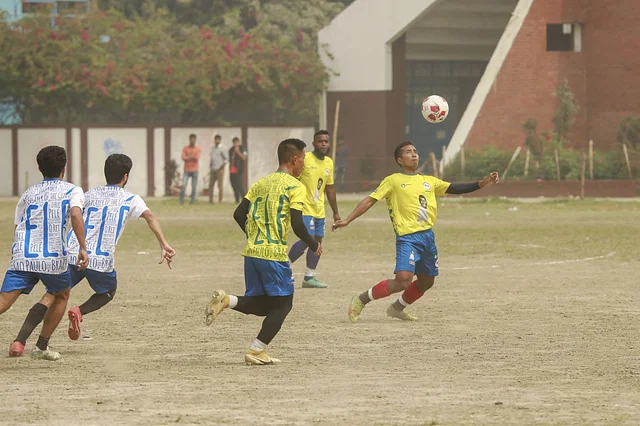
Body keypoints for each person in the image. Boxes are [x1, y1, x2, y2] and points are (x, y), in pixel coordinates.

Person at [9, 154, 176, 352]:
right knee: (107, 292)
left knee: (51, 295)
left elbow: (74, 213)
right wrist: (164, 244)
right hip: (100, 260)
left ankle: (20, 342)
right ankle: (79, 311)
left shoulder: (87, 194)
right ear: (125, 177)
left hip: (74, 253)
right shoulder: (131, 199)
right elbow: (150, 217)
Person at [333, 141, 499, 323]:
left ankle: (397, 308)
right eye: (408, 152)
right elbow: (370, 200)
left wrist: (481, 184)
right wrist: (347, 220)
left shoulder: (429, 181)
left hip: (427, 236)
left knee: (427, 281)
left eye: (415, 151)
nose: (413, 155)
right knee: (403, 280)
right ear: (399, 159)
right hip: (407, 238)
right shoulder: (393, 180)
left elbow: (455, 188)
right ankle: (361, 299)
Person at [204, 138, 321, 365]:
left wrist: (254, 236)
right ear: (295, 159)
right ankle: (256, 350)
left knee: (265, 304)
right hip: (274, 254)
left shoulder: (261, 183)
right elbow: (297, 224)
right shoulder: (296, 187)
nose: (305, 165)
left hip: (252, 252)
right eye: (304, 159)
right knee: (285, 304)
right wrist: (314, 243)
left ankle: (227, 300)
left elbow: (239, 214)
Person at [1, 146, 89, 361]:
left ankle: (30, 343)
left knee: (3, 301)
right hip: (52, 258)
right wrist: (83, 247)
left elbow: (17, 226)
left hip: (24, 253)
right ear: (64, 168)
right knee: (61, 294)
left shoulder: (28, 193)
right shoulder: (73, 190)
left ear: (39, 168)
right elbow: (76, 214)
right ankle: (41, 346)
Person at [287, 130, 339, 289]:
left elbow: (329, 188)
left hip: (319, 210)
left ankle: (309, 277)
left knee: (317, 242)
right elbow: (291, 177)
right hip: (303, 207)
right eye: (320, 141)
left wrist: (335, 212)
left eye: (326, 141)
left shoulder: (329, 162)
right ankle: (283, 268)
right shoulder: (305, 158)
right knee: (306, 239)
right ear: (314, 143)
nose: (323, 144)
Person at [180, 134, 201, 205]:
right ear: (189, 139)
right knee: (183, 185)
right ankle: (182, 200)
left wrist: (188, 157)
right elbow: (183, 157)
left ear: (195, 140)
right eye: (191, 139)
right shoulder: (185, 148)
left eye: (194, 139)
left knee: (194, 186)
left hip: (195, 170)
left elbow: (197, 157)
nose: (192, 140)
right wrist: (192, 157)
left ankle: (192, 200)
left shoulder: (197, 148)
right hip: (186, 169)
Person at [209, 134, 228, 204]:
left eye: (218, 139)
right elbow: (211, 156)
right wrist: (210, 164)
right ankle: (210, 200)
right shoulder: (212, 147)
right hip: (213, 168)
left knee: (219, 185)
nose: (217, 141)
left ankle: (220, 200)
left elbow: (226, 159)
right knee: (211, 185)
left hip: (220, 169)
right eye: (216, 139)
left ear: (220, 140)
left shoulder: (223, 148)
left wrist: (222, 166)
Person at [228, 137, 248, 204]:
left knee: (240, 186)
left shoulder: (242, 149)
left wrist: (238, 152)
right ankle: (237, 199)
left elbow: (244, 158)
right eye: (234, 142)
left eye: (237, 142)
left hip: (239, 171)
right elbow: (229, 160)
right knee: (234, 185)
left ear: (239, 142)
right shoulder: (231, 150)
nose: (236, 144)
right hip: (232, 171)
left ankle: (244, 199)